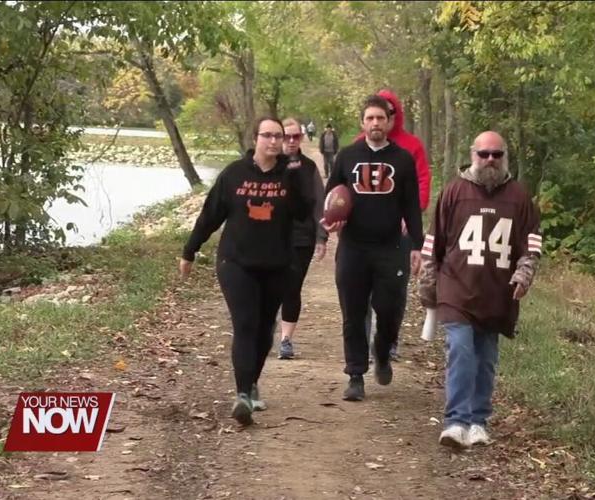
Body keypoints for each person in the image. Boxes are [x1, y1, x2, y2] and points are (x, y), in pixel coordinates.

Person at [179, 116, 313, 426]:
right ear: (256, 139)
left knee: (265, 328)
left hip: (276, 263)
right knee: (245, 324)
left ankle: (252, 382)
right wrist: (190, 250)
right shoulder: (234, 174)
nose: (273, 141)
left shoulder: (290, 176)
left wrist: (296, 182)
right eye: (267, 135)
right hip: (235, 262)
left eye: (278, 136)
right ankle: (242, 395)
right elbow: (210, 215)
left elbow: (304, 214)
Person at [418, 131, 542, 449]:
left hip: (497, 293)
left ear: (505, 159)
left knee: (485, 358)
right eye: (483, 154)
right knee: (461, 349)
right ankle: (456, 421)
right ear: (472, 154)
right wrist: (428, 287)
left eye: (496, 155)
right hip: (456, 288)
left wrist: (523, 275)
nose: (489, 160)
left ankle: (478, 421)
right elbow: (434, 244)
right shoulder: (454, 192)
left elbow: (532, 245)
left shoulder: (519, 198)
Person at [322, 95, 423, 402]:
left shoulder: (402, 159)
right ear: (362, 122)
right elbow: (332, 198)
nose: (376, 123)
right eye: (370, 118)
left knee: (390, 311)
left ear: (389, 122)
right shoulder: (347, 156)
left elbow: (411, 207)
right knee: (352, 313)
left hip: (390, 247)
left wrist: (416, 246)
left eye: (381, 118)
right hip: (353, 247)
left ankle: (382, 352)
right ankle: (355, 374)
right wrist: (328, 229)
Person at [355, 89, 432, 361]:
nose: (379, 122)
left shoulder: (412, 146)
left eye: (387, 113)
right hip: (362, 237)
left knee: (393, 294)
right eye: (372, 116)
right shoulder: (358, 145)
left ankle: (388, 342)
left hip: (399, 233)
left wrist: (409, 217)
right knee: (360, 295)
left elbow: (422, 183)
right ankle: (361, 347)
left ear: (394, 115)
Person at [277, 117, 328, 359]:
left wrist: (321, 237)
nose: (291, 141)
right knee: (266, 287)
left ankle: (286, 339)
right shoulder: (268, 164)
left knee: (292, 287)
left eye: (296, 136)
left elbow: (320, 202)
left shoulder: (308, 168)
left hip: (301, 238)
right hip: (269, 236)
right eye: (286, 136)